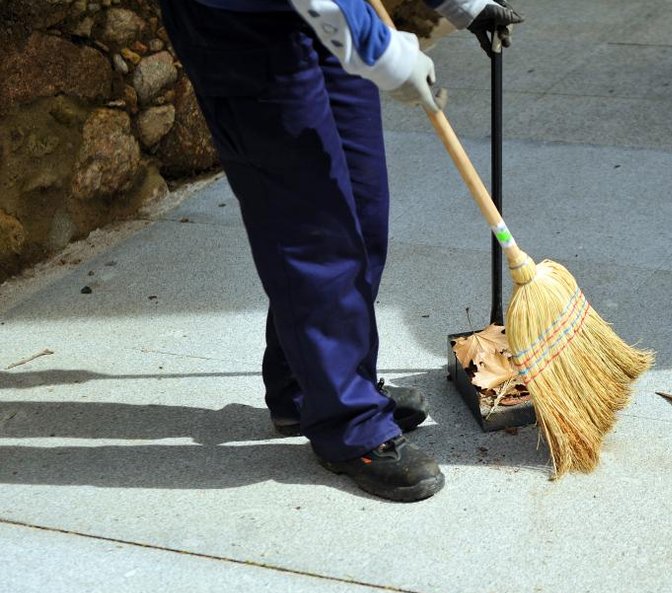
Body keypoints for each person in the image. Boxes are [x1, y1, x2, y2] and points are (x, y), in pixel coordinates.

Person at [158, 0, 523, 502]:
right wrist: (385, 56)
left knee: (362, 211)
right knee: (312, 231)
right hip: (244, 27)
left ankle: (307, 386)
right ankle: (350, 425)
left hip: (334, 12)